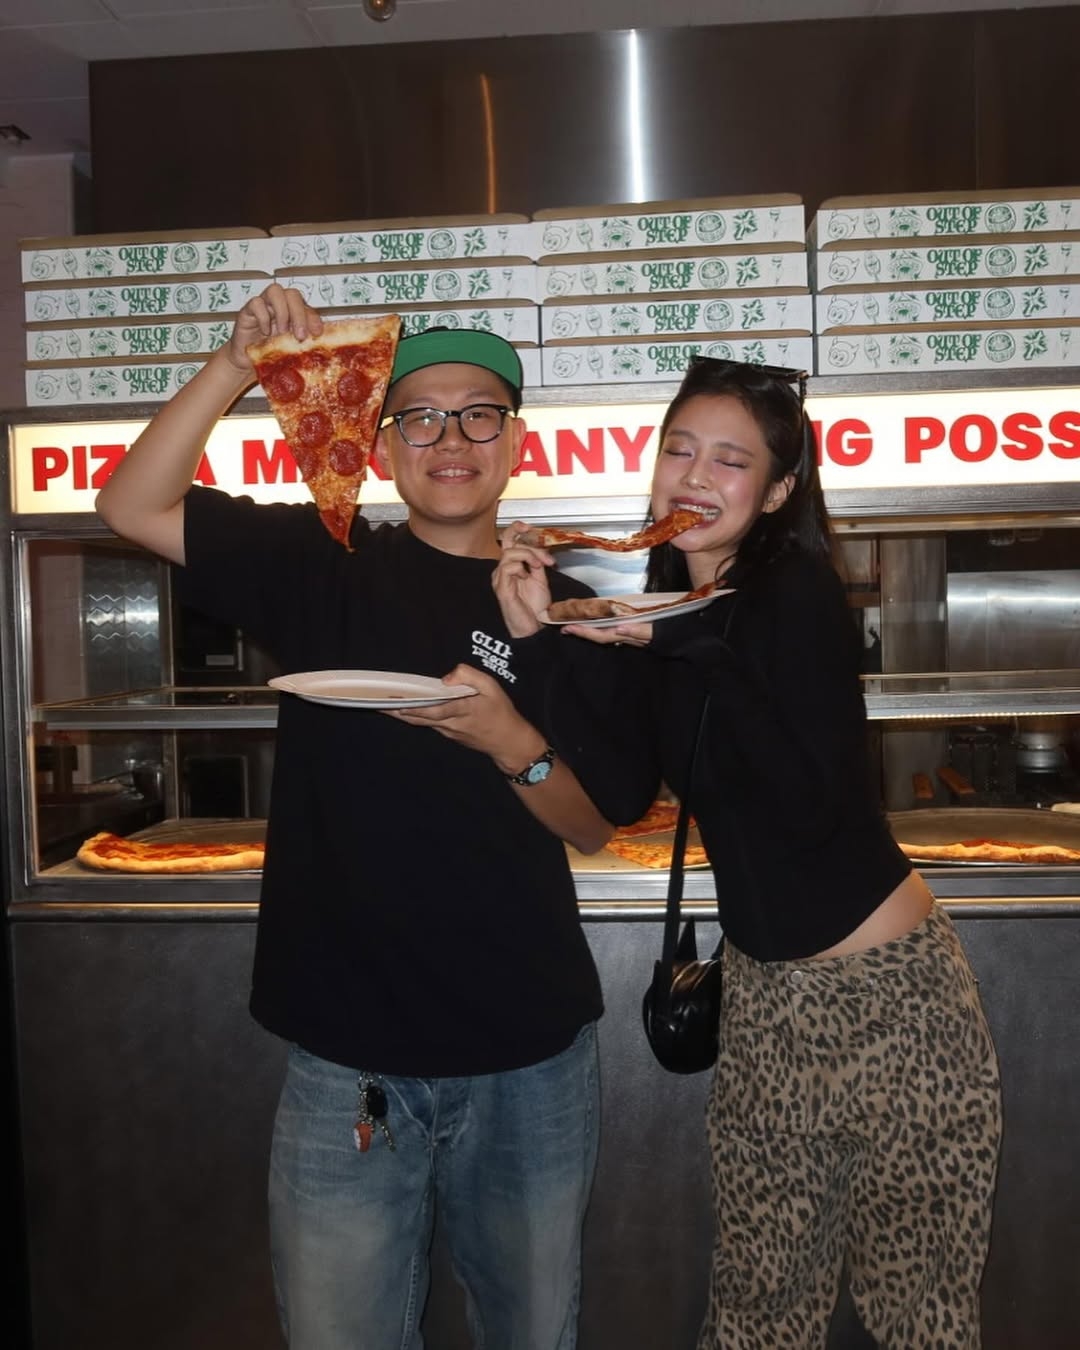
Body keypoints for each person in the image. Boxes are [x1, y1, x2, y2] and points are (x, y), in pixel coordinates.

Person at [94, 282, 626, 1350]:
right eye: (419, 417)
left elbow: (591, 825)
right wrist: (235, 365)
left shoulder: (565, 605)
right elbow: (131, 506)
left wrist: (510, 740)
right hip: (348, 1056)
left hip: (526, 1054)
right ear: (382, 449)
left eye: (479, 414)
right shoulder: (323, 563)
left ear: (517, 442)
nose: (451, 439)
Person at [494, 356, 1003, 1350]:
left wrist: (675, 643)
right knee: (759, 1306)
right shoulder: (667, 611)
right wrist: (546, 639)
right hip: (765, 998)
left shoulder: (793, 596)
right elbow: (622, 792)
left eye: (730, 461)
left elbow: (808, 802)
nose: (694, 475)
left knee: (918, 1314)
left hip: (893, 998)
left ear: (775, 492)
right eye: (679, 450)